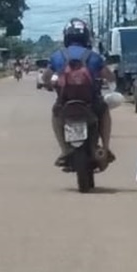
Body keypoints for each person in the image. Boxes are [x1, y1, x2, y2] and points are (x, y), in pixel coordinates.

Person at [44, 19, 116, 167]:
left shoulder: (58, 56)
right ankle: (105, 149)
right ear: (86, 37)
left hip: (65, 103)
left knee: (55, 115)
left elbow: (46, 76)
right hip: (91, 103)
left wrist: (48, 85)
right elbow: (109, 76)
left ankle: (64, 150)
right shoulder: (94, 56)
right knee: (104, 112)